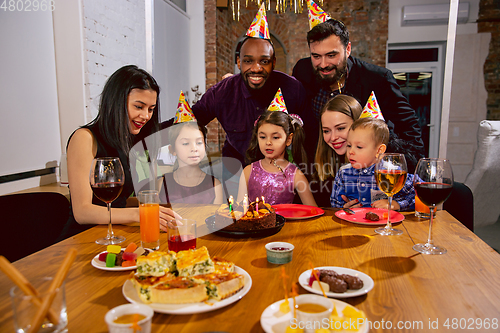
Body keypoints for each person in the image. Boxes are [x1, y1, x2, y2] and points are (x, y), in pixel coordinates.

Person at [60, 65, 179, 239]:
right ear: (116, 101)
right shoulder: (84, 138)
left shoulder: (128, 140)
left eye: (151, 109)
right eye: (139, 107)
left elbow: (119, 202)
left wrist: (162, 207)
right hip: (82, 239)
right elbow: (82, 212)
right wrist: (138, 214)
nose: (146, 116)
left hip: (115, 234)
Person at [292, 18, 425, 172]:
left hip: (367, 169)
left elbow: (409, 127)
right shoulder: (303, 70)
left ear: (348, 49)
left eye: (331, 55)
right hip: (321, 167)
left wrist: (411, 170)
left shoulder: (377, 79)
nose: (323, 64)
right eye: (316, 56)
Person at [191, 7, 312, 169]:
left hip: (279, 175)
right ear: (239, 62)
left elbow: (310, 135)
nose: (256, 68)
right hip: (235, 173)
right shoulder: (222, 92)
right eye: (248, 61)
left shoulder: (293, 89)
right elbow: (189, 121)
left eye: (264, 61)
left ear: (273, 62)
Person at [331, 118, 415, 211]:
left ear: (379, 150)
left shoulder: (391, 172)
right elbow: (335, 203)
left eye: (359, 147)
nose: (351, 151)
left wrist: (397, 204)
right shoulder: (343, 173)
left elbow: (418, 195)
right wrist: (343, 208)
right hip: (353, 223)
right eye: (349, 145)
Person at [237, 110, 317, 206]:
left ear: (288, 139)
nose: (268, 142)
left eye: (275, 137)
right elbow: (239, 210)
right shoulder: (248, 171)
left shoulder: (296, 175)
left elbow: (313, 211)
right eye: (263, 137)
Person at [159, 120, 223, 205]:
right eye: (185, 143)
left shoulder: (215, 185)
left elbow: (218, 217)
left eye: (199, 142)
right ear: (172, 150)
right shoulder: (161, 184)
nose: (194, 148)